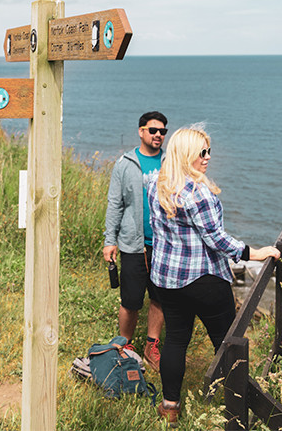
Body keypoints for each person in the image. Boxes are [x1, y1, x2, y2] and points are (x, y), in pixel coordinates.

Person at [147, 124, 281, 426]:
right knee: (227, 341)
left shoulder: (157, 182)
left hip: (167, 278)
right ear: (186, 155)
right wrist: (254, 253)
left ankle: (170, 407)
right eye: (201, 152)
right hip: (202, 279)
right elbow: (217, 240)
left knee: (176, 340)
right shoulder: (198, 194)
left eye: (209, 151)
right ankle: (240, 406)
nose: (208, 157)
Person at [103, 111, 168, 371]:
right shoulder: (125, 163)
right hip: (133, 244)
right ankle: (124, 345)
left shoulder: (170, 162)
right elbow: (114, 204)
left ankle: (152, 346)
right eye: (153, 130)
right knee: (130, 300)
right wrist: (110, 241)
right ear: (141, 131)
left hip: (165, 243)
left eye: (163, 131)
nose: (158, 135)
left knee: (160, 297)